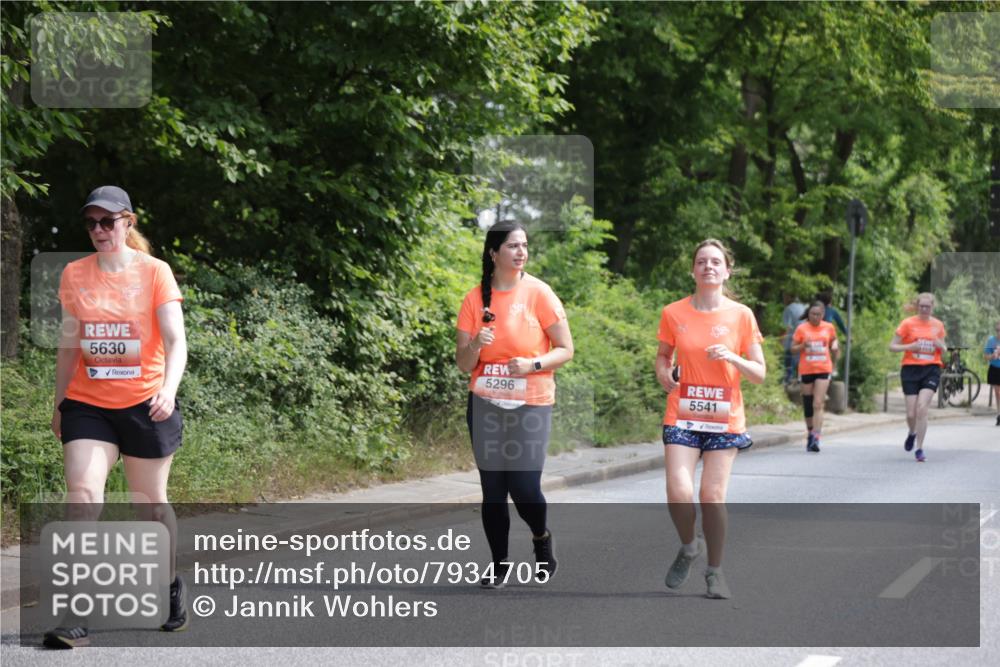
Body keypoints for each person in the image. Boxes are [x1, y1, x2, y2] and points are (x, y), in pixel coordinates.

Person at [47, 186, 188, 648]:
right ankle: (75, 611)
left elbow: (175, 340)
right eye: (91, 223)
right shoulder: (74, 274)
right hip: (88, 404)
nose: (99, 231)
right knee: (84, 493)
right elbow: (70, 345)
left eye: (108, 221)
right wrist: (59, 403)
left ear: (128, 222)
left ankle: (169, 584)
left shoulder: (155, 273)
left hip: (146, 403)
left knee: (151, 507)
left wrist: (168, 389)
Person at [456, 221, 573, 589]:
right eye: (512, 246)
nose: (521, 252)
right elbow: (463, 363)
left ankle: (541, 538)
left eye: (524, 245)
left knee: (523, 487)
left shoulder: (540, 293)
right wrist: (475, 343)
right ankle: (499, 564)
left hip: (531, 403)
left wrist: (532, 364)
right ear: (494, 253)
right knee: (493, 490)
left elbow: (566, 350)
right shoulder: (476, 298)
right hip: (486, 403)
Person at [655, 239, 766, 600]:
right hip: (683, 413)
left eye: (716, 262)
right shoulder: (673, 313)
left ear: (727, 270)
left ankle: (715, 572)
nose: (708, 267)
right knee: (679, 491)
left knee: (711, 495)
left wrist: (733, 358)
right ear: (693, 270)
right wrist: (663, 374)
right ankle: (689, 546)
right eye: (701, 261)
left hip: (724, 418)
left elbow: (759, 373)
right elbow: (662, 356)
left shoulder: (741, 315)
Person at [888, 293, 947, 463]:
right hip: (910, 369)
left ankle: (919, 448)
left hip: (931, 369)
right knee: (911, 413)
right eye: (921, 306)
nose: (924, 309)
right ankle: (912, 433)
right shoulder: (908, 323)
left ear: (932, 308)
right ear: (917, 306)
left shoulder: (938, 325)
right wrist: (910, 346)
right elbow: (892, 346)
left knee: (922, 408)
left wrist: (939, 345)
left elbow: (944, 348)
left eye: (928, 307)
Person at [790, 301, 839, 452]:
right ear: (808, 314)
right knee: (808, 403)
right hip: (806, 369)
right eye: (812, 314)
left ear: (822, 315)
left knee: (818, 403)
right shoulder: (802, 328)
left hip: (823, 368)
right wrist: (802, 346)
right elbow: (792, 349)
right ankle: (810, 431)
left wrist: (835, 345)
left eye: (818, 314)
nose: (815, 317)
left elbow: (834, 340)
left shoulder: (828, 327)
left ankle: (816, 437)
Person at [781, 293, 807, 384]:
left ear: (788, 297)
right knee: (800, 362)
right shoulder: (803, 307)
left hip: (793, 339)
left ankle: (788, 381)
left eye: (784, 297)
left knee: (789, 361)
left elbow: (788, 327)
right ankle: (800, 380)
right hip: (804, 338)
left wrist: (782, 340)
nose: (783, 299)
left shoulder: (788, 309)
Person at [985, 320, 1000, 426]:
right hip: (995, 368)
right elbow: (986, 356)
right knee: (997, 392)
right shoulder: (992, 341)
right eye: (998, 330)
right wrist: (992, 356)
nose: (999, 332)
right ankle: (999, 413)